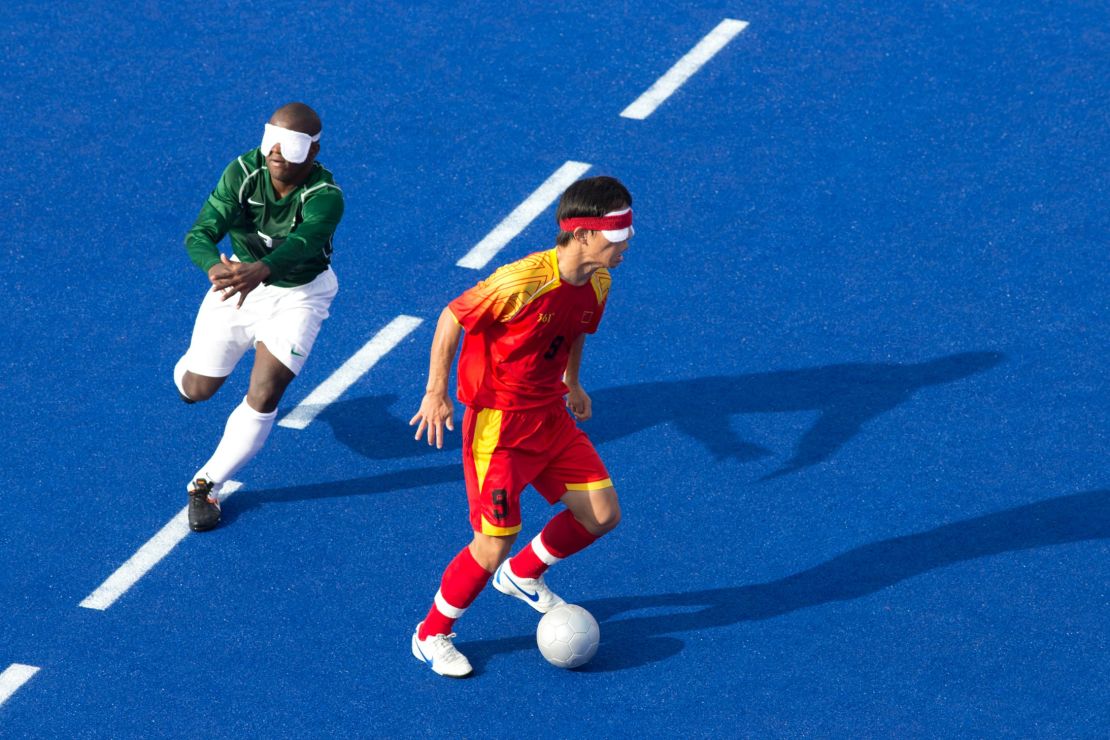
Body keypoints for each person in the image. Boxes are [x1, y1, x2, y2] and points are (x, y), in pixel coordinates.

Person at [409, 176, 633, 677]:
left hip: (550, 417)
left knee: (601, 513)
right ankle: (431, 634)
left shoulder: (599, 281)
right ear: (581, 234)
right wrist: (436, 391)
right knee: (493, 542)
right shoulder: (521, 282)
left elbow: (575, 329)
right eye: (616, 232)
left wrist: (573, 382)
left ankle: (524, 575)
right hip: (499, 428)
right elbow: (451, 317)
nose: (627, 240)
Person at [175, 102, 343, 532]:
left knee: (266, 391)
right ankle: (191, 369)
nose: (275, 152)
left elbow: (303, 244)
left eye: (289, 144)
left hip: (300, 295)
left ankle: (206, 484)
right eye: (270, 139)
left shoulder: (326, 197)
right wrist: (216, 268)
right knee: (196, 389)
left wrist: (262, 270)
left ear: (314, 149)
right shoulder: (243, 172)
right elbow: (201, 233)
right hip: (236, 284)